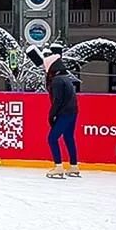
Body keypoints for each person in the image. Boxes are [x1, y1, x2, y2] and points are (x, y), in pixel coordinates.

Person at [44, 49, 80, 179]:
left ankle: (58, 166)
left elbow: (57, 100)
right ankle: (74, 166)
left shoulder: (57, 81)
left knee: (52, 139)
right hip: (73, 111)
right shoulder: (66, 78)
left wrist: (52, 115)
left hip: (64, 113)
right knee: (68, 137)